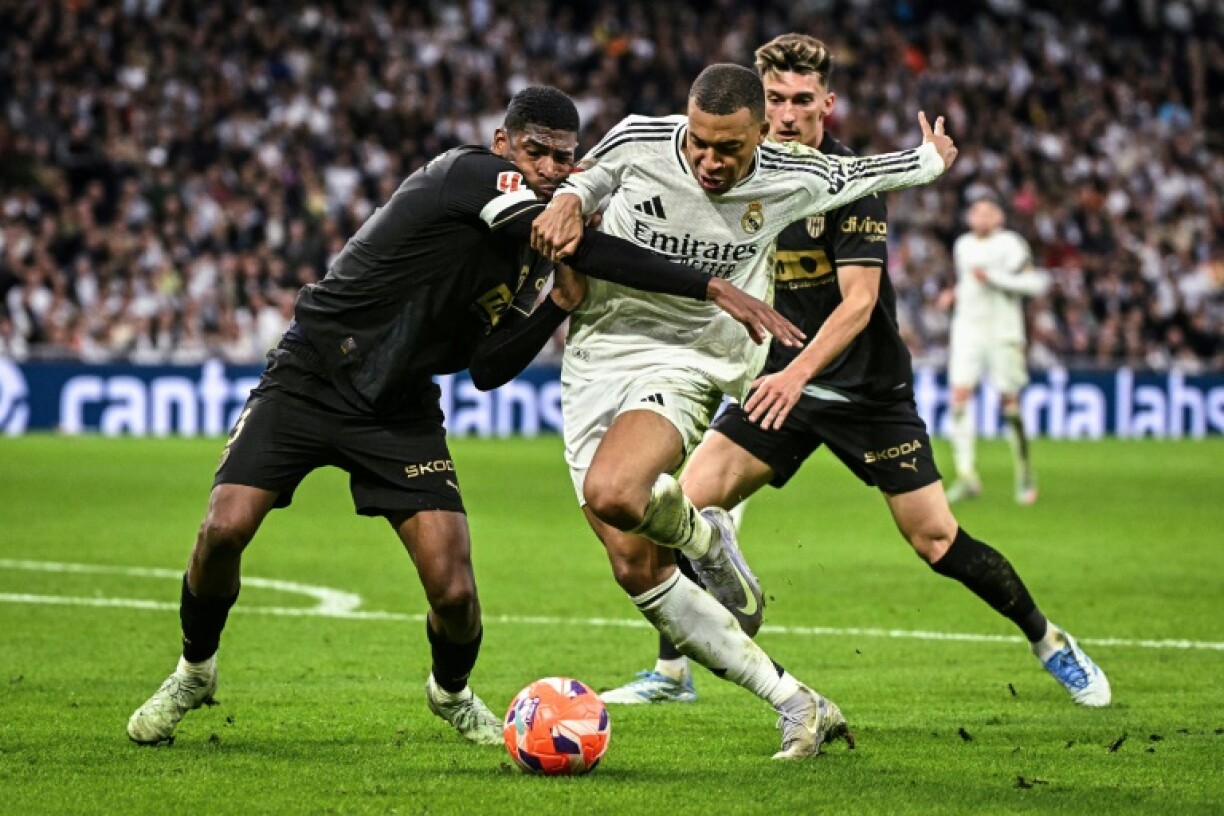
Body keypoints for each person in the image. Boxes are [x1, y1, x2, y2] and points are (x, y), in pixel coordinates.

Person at [125, 86, 804, 747]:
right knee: (224, 527)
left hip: (401, 403)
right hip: (310, 376)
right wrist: (712, 286)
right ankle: (193, 672)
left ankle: (450, 694)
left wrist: (560, 305)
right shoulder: (473, 173)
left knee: (453, 591)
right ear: (504, 143)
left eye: (563, 158)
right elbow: (585, 247)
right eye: (535, 151)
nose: (547, 169)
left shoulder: (531, 252)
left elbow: (486, 368)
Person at [594, 35, 1110, 712]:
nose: (786, 113)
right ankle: (673, 672)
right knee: (678, 511)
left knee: (935, 539)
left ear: (826, 104)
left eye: (802, 100)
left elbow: (860, 303)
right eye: (774, 99)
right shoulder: (734, 175)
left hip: (866, 391)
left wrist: (796, 374)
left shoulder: (850, 180)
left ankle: (1048, 641)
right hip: (779, 385)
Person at [531, 63, 959, 759]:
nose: (709, 160)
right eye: (700, 141)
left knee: (615, 491)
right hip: (597, 354)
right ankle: (796, 699)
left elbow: (875, 175)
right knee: (634, 566)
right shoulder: (642, 138)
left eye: (729, 148)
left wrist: (930, 160)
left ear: (762, 134)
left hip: (694, 356)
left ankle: (701, 539)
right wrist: (568, 201)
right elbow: (586, 182)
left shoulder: (795, 175)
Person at [946, 195, 1051, 504]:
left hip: (1003, 332)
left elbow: (1035, 285)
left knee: (1010, 403)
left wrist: (993, 278)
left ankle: (1024, 472)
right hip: (967, 331)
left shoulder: (1011, 244)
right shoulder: (962, 245)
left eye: (987, 211)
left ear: (999, 217)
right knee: (958, 398)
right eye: (975, 211)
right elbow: (968, 283)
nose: (980, 216)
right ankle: (966, 476)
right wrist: (953, 294)